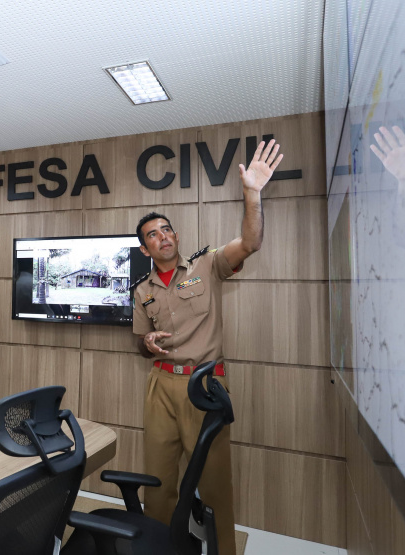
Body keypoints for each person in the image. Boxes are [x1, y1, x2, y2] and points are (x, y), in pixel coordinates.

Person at [131, 139, 285, 555]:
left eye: (167, 230)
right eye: (153, 235)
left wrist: (252, 193)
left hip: (204, 387)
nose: (163, 237)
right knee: (158, 483)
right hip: (160, 387)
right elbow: (141, 345)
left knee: (215, 485)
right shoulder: (141, 290)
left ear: (175, 236)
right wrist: (146, 341)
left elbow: (249, 243)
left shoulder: (206, 263)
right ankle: (158, 548)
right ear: (144, 249)